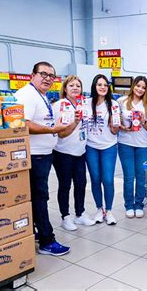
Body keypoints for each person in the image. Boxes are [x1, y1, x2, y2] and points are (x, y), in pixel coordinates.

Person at [14, 61, 70, 256]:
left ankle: (34, 232)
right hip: (34, 155)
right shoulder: (27, 95)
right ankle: (47, 240)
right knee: (39, 197)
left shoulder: (40, 95)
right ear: (32, 75)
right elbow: (24, 123)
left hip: (42, 155)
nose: (47, 78)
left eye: (51, 76)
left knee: (36, 197)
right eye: (43, 74)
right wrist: (52, 129)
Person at [52, 75, 95, 231]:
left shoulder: (83, 104)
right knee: (65, 185)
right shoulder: (60, 105)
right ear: (65, 88)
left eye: (78, 85)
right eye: (72, 85)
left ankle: (80, 214)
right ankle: (65, 217)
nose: (75, 88)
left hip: (80, 152)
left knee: (81, 183)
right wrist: (75, 122)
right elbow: (61, 133)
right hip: (63, 153)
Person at [117, 76, 147, 219]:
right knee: (128, 176)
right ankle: (129, 205)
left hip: (143, 144)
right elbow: (116, 121)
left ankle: (139, 204)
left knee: (141, 177)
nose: (140, 89)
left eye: (143, 87)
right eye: (138, 86)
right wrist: (122, 126)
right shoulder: (122, 101)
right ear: (133, 86)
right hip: (125, 143)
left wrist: (143, 120)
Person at [86, 74, 119, 225]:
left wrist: (115, 125)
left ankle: (110, 210)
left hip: (109, 146)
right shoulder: (86, 103)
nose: (103, 87)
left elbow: (114, 131)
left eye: (105, 85)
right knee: (95, 179)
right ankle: (100, 209)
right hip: (91, 146)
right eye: (99, 84)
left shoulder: (113, 104)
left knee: (107, 179)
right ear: (94, 86)